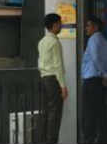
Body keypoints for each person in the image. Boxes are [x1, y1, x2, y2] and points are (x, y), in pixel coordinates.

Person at [81, 15, 107, 144]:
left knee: (89, 112)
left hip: (92, 80)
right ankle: (103, 139)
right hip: (102, 82)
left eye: (88, 25)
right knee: (101, 112)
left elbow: (95, 58)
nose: (86, 28)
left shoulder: (93, 39)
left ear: (95, 27)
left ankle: (89, 139)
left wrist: (104, 73)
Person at [38, 13, 67, 144]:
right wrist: (63, 86)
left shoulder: (42, 41)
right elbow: (58, 66)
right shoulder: (55, 42)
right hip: (53, 80)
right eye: (60, 24)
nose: (61, 26)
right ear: (54, 25)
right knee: (55, 114)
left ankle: (43, 140)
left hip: (43, 79)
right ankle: (51, 141)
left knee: (45, 112)